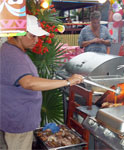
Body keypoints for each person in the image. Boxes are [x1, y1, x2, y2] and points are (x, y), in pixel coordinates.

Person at [0, 14, 83, 150]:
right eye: (33, 36)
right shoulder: (13, 55)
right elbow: (29, 83)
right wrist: (67, 82)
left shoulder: (12, 50)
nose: (37, 40)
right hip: (18, 122)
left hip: (17, 118)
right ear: (21, 34)